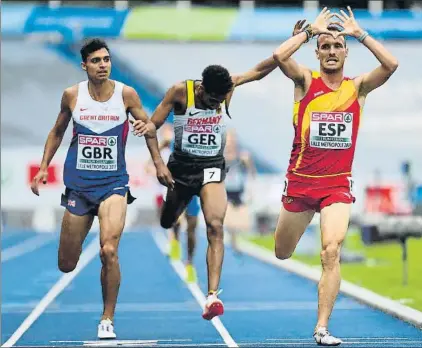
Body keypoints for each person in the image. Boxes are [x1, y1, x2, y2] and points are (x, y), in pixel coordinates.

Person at [30, 38, 172, 339]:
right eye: (96, 61)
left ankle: (107, 318)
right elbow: (57, 131)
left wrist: (159, 164)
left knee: (109, 249)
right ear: (84, 65)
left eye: (106, 59)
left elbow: (148, 128)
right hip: (79, 189)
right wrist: (44, 166)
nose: (103, 65)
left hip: (113, 185)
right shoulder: (72, 95)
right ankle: (85, 279)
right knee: (66, 264)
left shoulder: (126, 94)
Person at [272, 7, 398, 346]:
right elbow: (278, 56)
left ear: (345, 52)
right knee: (282, 252)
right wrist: (308, 32)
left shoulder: (357, 88)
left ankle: (322, 328)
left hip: (337, 186)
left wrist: (361, 35)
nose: (331, 52)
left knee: (331, 250)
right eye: (325, 46)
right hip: (299, 184)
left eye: (337, 46)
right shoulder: (305, 81)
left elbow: (391, 65)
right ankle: (321, 323)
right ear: (318, 52)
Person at [132, 56, 280, 321]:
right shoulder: (181, 91)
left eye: (220, 101)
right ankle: (169, 219)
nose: (217, 105)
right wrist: (158, 164)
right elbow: (153, 125)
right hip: (181, 169)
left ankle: (212, 295)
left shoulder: (225, 89)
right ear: (202, 90)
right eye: (213, 101)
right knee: (168, 220)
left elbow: (259, 70)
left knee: (215, 225)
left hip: (211, 167)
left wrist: (299, 40)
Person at [145, 123, 201, 283]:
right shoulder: (163, 150)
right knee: (175, 220)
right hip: (172, 191)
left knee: (192, 228)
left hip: (191, 190)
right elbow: (148, 166)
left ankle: (190, 263)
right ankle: (174, 239)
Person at [224, 129, 256, 253]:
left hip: (238, 191)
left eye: (232, 140)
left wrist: (249, 163)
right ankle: (231, 240)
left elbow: (252, 173)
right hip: (224, 191)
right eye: (228, 141)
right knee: (229, 220)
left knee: (244, 225)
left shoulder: (242, 156)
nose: (230, 143)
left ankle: (234, 240)